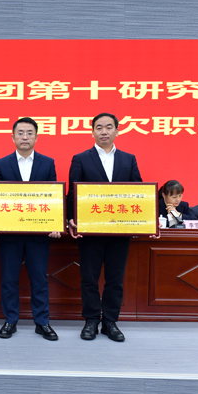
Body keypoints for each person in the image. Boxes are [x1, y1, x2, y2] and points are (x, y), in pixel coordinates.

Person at [68, 112, 142, 341]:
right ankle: (91, 320)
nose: (104, 131)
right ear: (92, 132)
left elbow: (139, 192)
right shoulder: (81, 158)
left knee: (115, 279)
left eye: (109, 127)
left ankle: (110, 322)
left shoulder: (129, 159)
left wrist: (142, 222)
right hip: (90, 230)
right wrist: (70, 218)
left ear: (117, 131)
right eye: (99, 127)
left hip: (119, 231)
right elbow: (73, 192)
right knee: (89, 278)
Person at [0, 117, 62, 340]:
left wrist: (56, 224)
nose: (25, 137)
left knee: (39, 279)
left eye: (29, 133)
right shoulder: (2, 164)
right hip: (10, 234)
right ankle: (10, 321)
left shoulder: (47, 163)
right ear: (13, 137)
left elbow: (53, 198)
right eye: (20, 133)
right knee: (9, 279)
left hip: (38, 234)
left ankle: (42, 322)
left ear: (36, 137)